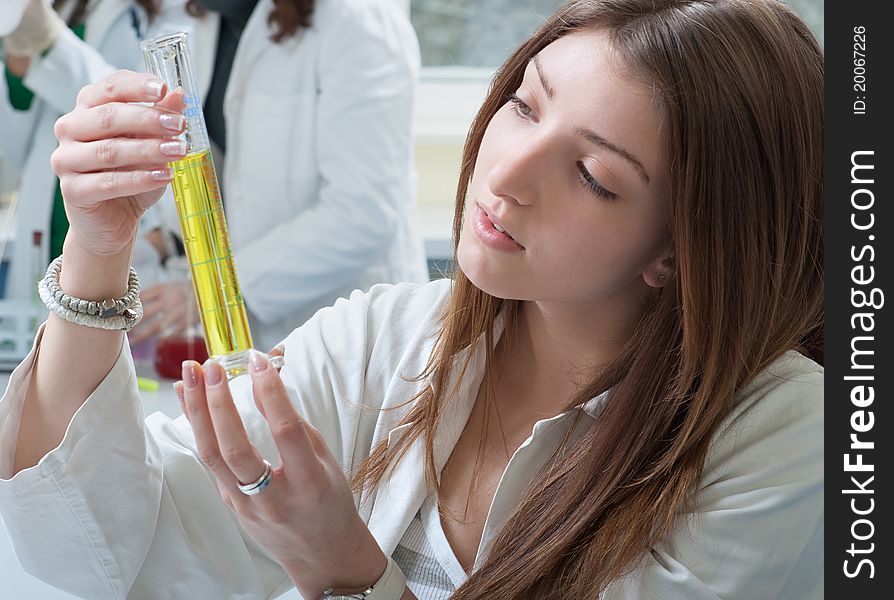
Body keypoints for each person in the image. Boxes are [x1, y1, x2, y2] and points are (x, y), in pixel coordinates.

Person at [0, 0, 823, 598]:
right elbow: (96, 553)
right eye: (522, 105)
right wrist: (95, 256)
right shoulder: (385, 341)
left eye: (591, 175)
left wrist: (350, 573)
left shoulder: (787, 433)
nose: (502, 175)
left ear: (681, 250)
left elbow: (354, 209)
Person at [128, 0, 430, 350]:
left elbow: (364, 213)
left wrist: (220, 287)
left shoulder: (359, 19)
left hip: (355, 340)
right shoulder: (206, 21)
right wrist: (167, 241)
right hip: (256, 346)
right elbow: (231, 179)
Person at [0, 0, 175, 304]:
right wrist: (20, 63)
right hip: (51, 223)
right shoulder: (62, 8)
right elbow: (20, 152)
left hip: (126, 215)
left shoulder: (163, 12)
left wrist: (52, 43)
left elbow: (132, 111)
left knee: (102, 334)